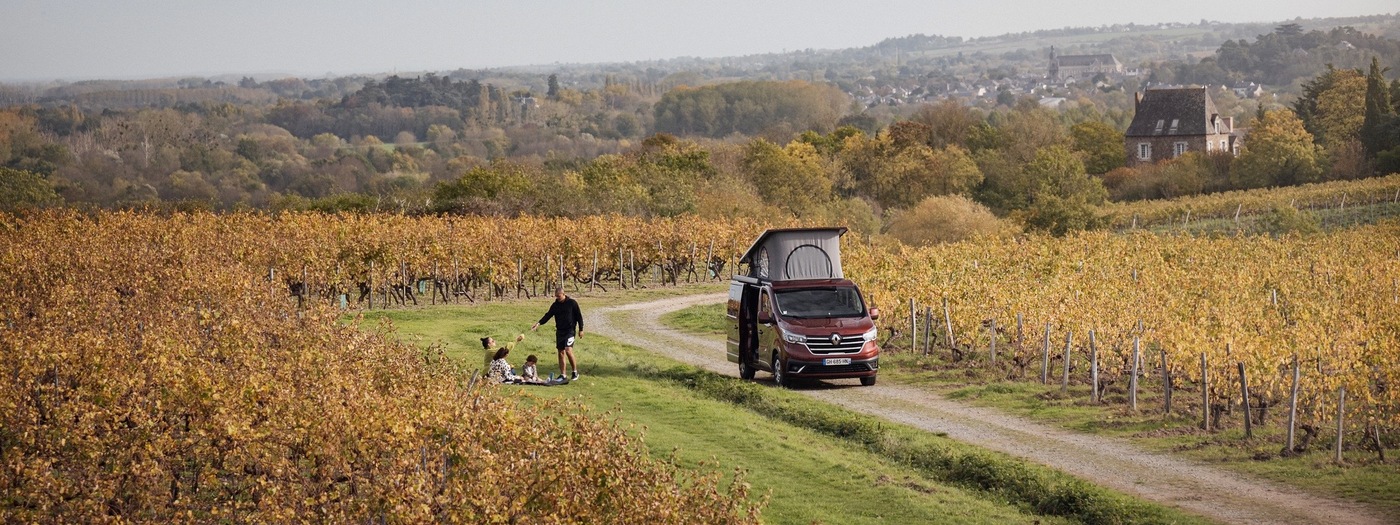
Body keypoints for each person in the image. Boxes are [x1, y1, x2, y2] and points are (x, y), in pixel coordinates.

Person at [532, 287, 583, 380]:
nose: (557, 298)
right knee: (561, 352)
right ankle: (563, 374)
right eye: (556, 297)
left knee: (568, 350)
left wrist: (581, 329)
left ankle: (574, 372)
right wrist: (538, 323)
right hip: (560, 331)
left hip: (570, 331)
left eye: (559, 296)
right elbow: (548, 315)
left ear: (563, 294)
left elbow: (579, 316)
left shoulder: (572, 303)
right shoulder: (555, 305)